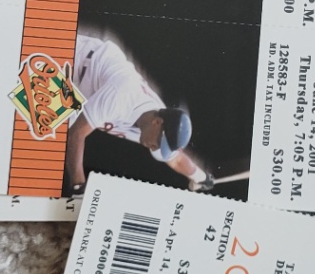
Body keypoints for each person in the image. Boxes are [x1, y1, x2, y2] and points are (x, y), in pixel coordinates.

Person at [63, 33, 212, 194]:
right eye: (159, 143)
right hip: (73, 59)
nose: (155, 148)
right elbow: (76, 134)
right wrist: (79, 187)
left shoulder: (155, 123)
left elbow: (176, 160)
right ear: (157, 122)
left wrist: (200, 177)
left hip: (79, 94)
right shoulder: (123, 97)